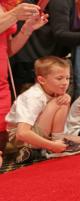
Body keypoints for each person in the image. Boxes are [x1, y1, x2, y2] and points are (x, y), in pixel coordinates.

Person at [5, 56, 80, 164]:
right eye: (59, 78)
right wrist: (53, 146)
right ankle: (49, 148)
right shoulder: (33, 97)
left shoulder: (55, 91)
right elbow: (22, 133)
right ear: (41, 80)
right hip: (20, 140)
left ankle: (38, 151)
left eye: (67, 78)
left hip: (37, 132)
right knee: (59, 102)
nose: (65, 83)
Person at [0, 1, 48, 164]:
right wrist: (13, 15)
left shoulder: (6, 6)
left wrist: (27, 29)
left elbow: (8, 50)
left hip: (2, 85)